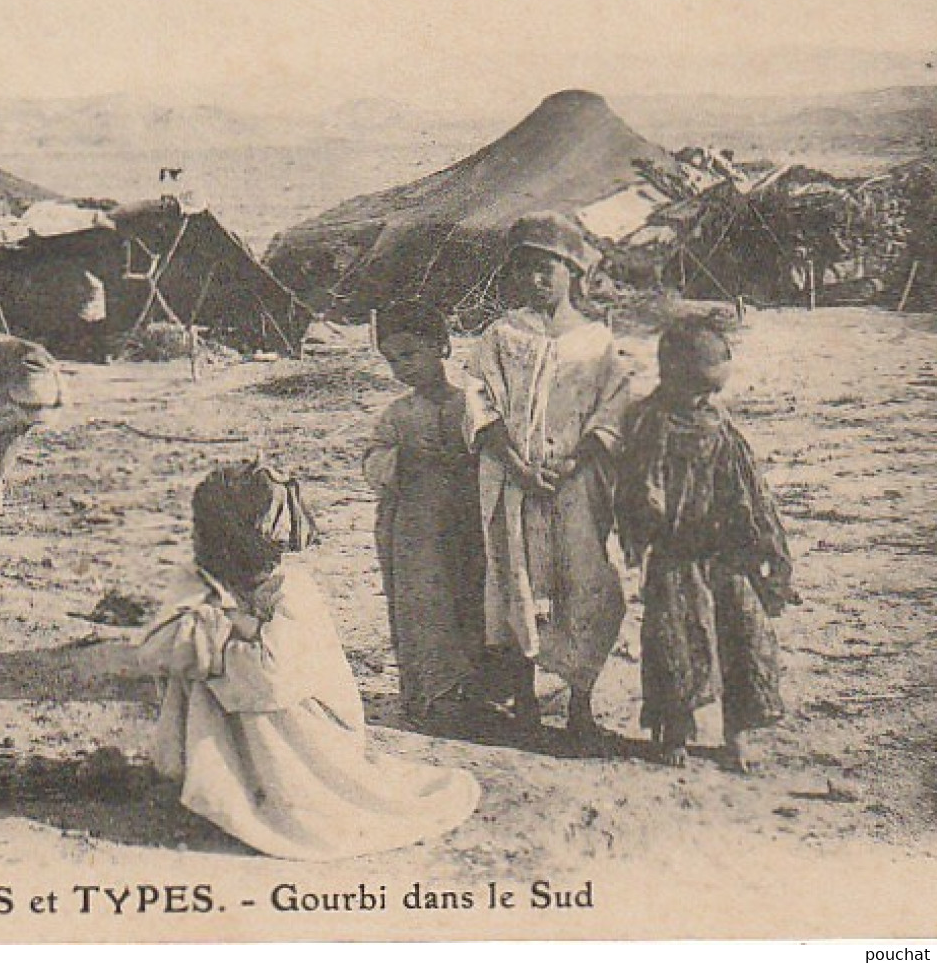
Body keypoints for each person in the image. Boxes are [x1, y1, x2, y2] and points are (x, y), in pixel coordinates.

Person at [138, 461, 480, 860]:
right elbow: (154, 649)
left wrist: (216, 637)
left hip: (308, 744)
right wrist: (225, 627)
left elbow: (271, 679)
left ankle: (251, 802)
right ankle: (212, 791)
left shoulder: (293, 592)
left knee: (216, 663)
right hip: (249, 728)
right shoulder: (201, 583)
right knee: (200, 658)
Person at [465, 211, 631, 749]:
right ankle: (525, 702)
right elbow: (478, 401)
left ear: (573, 272)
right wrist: (515, 464)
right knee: (518, 584)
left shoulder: (597, 341)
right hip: (515, 488)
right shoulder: (500, 335)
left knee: (583, 586)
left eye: (548, 269)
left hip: (576, 490)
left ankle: (580, 703)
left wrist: (577, 461)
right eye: (525, 270)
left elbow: (614, 409)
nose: (536, 280)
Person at [615, 315, 799, 771]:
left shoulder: (720, 426)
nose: (708, 398)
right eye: (699, 388)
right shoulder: (649, 424)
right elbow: (635, 491)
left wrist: (767, 549)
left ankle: (737, 734)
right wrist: (643, 527)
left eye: (716, 389)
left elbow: (751, 493)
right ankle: (674, 728)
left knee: (743, 638)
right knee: (675, 640)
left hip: (727, 554)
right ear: (669, 376)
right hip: (676, 555)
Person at [363, 299, 485, 724]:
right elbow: (373, 460)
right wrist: (400, 460)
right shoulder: (399, 414)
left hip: (469, 520)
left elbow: (492, 449)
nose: (402, 369)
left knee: (472, 597)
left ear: (441, 346)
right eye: (392, 360)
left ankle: (480, 690)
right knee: (424, 603)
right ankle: (434, 693)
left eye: (410, 354)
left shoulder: (471, 402)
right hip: (416, 529)